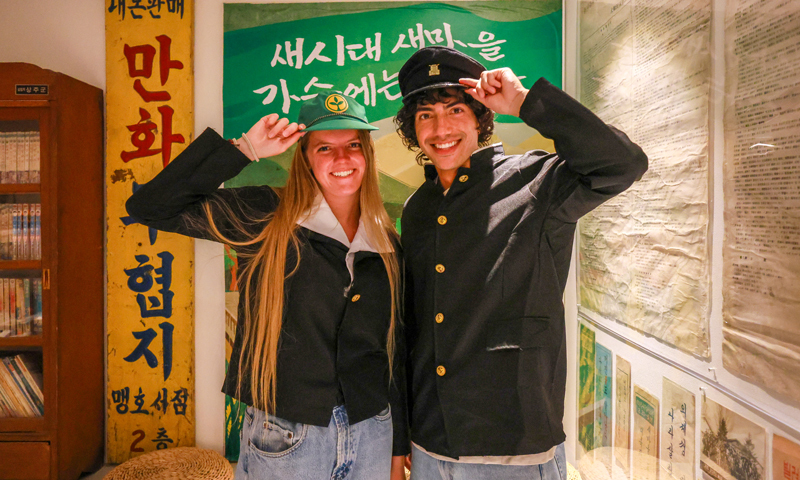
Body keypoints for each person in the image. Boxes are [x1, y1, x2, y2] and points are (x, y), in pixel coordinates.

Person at [126, 91, 409, 480]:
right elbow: (150, 207)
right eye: (325, 147)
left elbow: (393, 350)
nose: (342, 159)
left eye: (353, 146)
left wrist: (397, 446)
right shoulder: (264, 215)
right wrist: (244, 149)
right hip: (287, 434)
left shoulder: (387, 240)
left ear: (367, 155)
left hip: (372, 429)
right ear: (306, 158)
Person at [394, 46, 648, 479]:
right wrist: (404, 440)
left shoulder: (536, 181)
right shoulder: (418, 209)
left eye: (455, 110)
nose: (441, 128)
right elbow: (410, 330)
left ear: (480, 118)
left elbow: (622, 165)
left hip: (512, 448)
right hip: (431, 446)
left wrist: (525, 103)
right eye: (425, 116)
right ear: (413, 130)